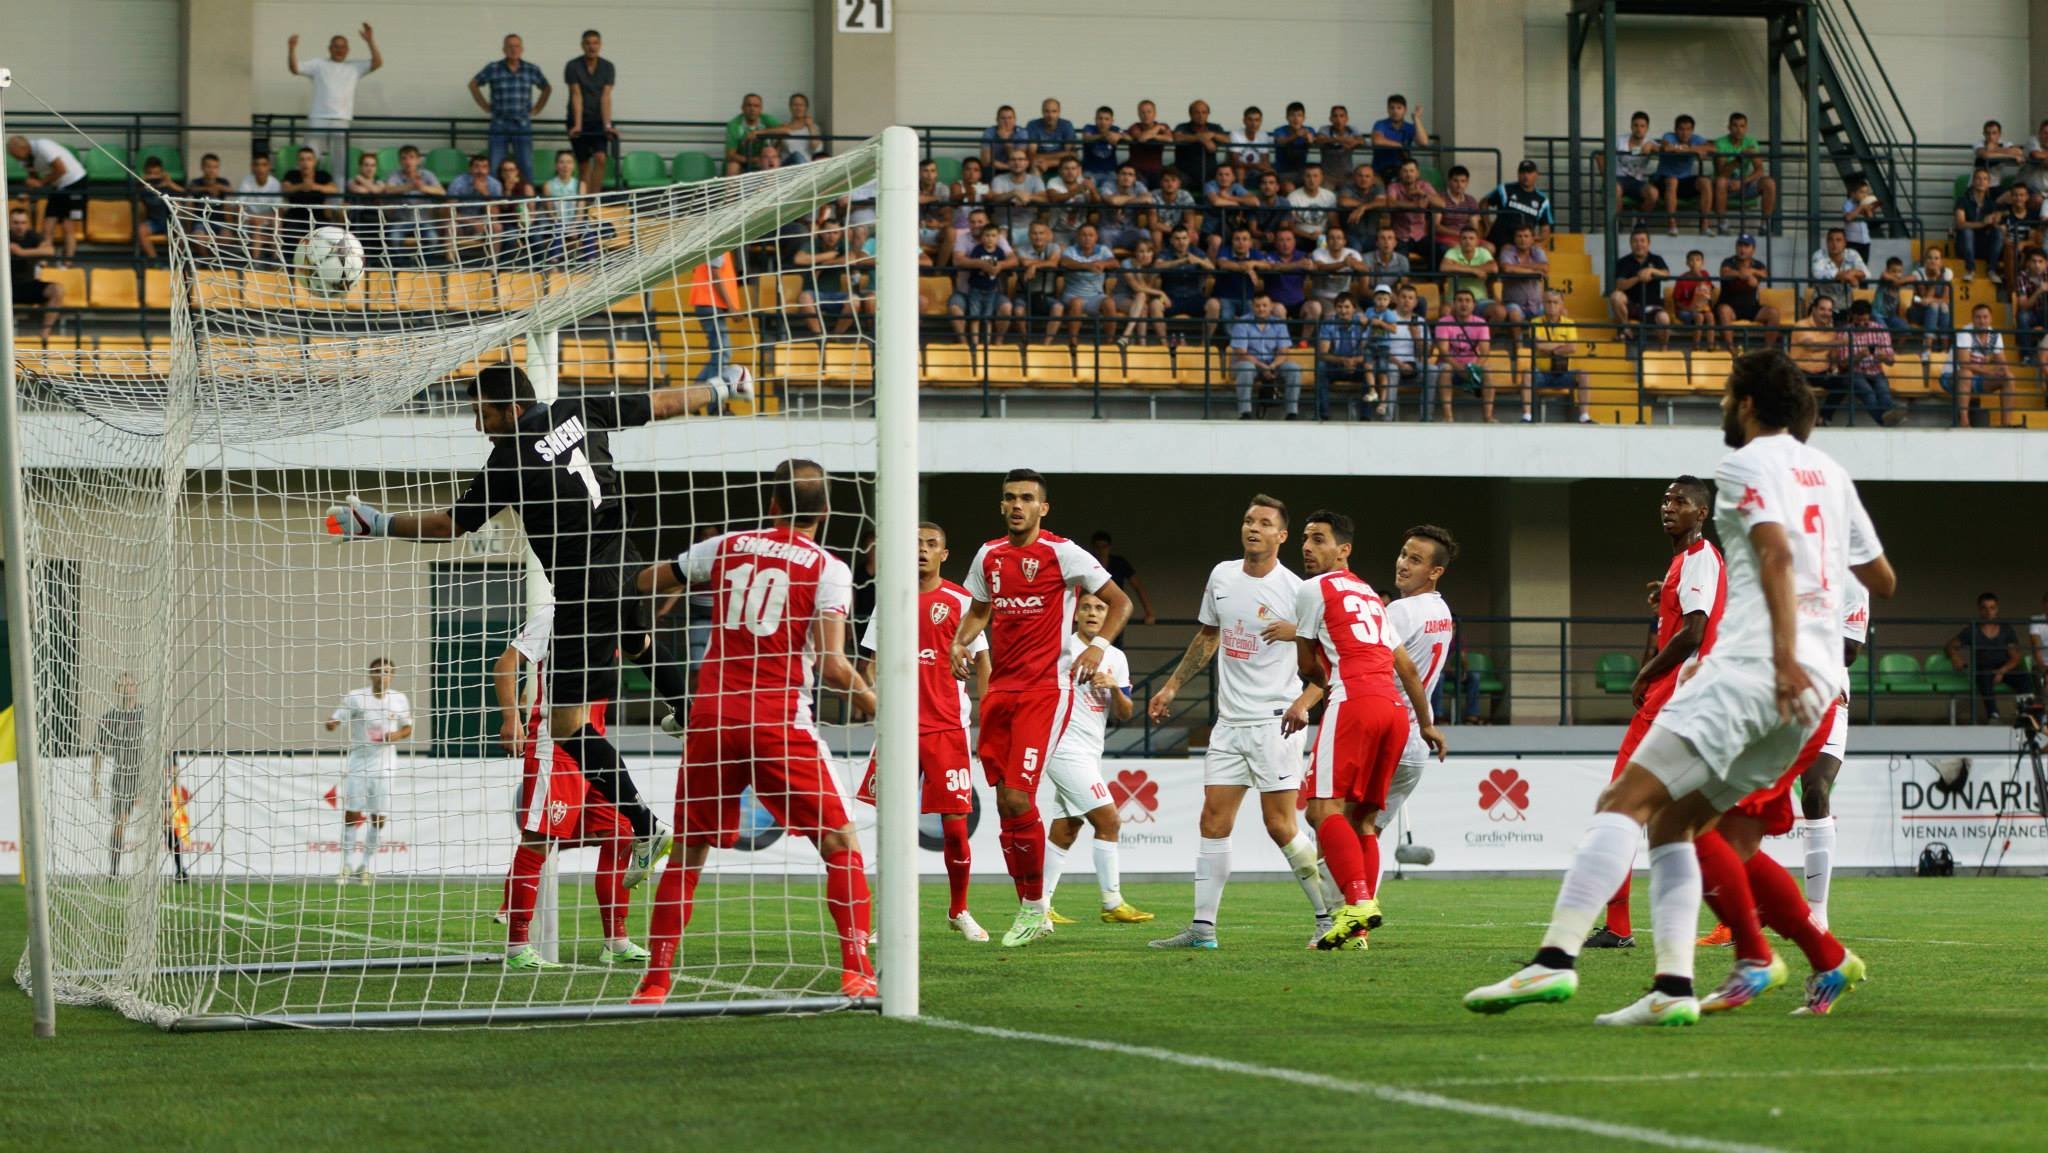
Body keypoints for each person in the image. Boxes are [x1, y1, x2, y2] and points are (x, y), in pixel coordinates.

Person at [1465, 350, 1893, 1025]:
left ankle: (1553, 961)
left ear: (1748, 402)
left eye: (1728, 393)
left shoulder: (1746, 463)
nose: (1724, 404)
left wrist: (1780, 651)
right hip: (1817, 694)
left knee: (1626, 799)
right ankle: (1676, 984)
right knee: (1680, 822)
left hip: (1757, 669)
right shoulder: (1833, 475)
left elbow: (1777, 553)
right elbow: (1883, 578)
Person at [324, 365, 750, 886]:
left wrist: (378, 523)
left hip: (581, 594)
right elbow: (659, 404)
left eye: (484, 413)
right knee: (635, 637)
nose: (480, 426)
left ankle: (645, 825)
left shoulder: (509, 459)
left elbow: (449, 527)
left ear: (513, 408)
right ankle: (687, 711)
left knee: (566, 727)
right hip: (626, 562)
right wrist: (719, 387)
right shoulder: (579, 407)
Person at [632, 461, 879, 1000]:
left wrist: (633, 612)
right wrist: (875, 700)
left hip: (712, 720)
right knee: (840, 843)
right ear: (827, 511)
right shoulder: (829, 568)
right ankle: (857, 970)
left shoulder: (723, 547)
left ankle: (655, 980)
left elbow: (650, 580)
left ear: (771, 504)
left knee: (690, 852)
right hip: (777, 724)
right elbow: (836, 666)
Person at [949, 469, 1133, 948]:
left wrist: (1098, 647)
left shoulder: (1062, 552)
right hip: (999, 693)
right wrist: (959, 642)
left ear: (1042, 508)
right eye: (1010, 498)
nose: (1017, 505)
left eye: (1027, 499)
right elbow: (979, 608)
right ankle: (1034, 907)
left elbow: (1121, 602)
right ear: (1001, 504)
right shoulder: (989, 555)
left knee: (1017, 797)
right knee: (1004, 805)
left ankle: (1033, 907)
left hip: (1043, 692)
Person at [1146, 496, 1333, 948]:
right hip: (1230, 722)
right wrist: (1172, 686)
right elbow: (1209, 636)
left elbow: (1327, 666)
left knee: (1280, 825)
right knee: (1213, 821)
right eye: (1249, 520)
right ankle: (1203, 929)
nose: (1253, 528)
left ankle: (1331, 916)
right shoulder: (1222, 576)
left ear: (1281, 537)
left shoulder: (1299, 591)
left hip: (1277, 722)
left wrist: (1305, 701)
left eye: (1265, 523)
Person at [1287, 510, 1445, 950]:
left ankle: (1356, 905)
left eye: (1318, 539)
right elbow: (1408, 669)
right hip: (1396, 711)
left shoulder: (1311, 589)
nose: (1307, 547)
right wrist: (1428, 725)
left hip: (1354, 700)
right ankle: (1356, 929)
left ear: (1343, 548)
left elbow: (1308, 668)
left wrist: (1314, 678)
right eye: (1305, 539)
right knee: (1365, 821)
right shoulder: (1371, 597)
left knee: (1322, 811)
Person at [1583, 477, 1725, 951]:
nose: (1668, 507)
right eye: (1665, 501)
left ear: (1702, 513)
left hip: (1672, 697)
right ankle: (1742, 916)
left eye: (1680, 501)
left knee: (1622, 804)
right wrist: (1664, 597)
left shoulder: (1700, 557)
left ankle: (1618, 925)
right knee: (1674, 817)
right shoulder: (1686, 563)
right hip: (1687, 697)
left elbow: (1695, 631)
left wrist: (1645, 672)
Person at [854, 523, 992, 943]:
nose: (922, 551)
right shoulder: (890, 600)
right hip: (898, 732)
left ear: (944, 555)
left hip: (947, 727)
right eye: (914, 544)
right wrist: (876, 703)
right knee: (892, 828)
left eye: (931, 545)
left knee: (954, 826)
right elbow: (869, 667)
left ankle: (959, 910)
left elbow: (983, 664)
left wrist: (984, 724)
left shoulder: (961, 600)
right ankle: (889, 919)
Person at [493, 603, 646, 969]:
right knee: (539, 839)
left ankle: (617, 940)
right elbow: (505, 665)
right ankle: (517, 946)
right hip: (554, 743)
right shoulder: (555, 615)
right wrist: (511, 718)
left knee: (621, 834)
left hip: (594, 747)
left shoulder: (615, 617)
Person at [1040, 592, 1153, 926]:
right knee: (1109, 821)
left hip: (1090, 751)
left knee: (1067, 828)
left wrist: (1114, 687)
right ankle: (1112, 902)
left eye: (1100, 608)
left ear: (1109, 616)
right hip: (1063, 748)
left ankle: (1038, 904)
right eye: (1086, 607)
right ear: (1075, 614)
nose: (1092, 612)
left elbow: (1126, 712)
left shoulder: (1115, 658)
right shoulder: (1060, 649)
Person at [1366, 527, 1460, 896]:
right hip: (1415, 745)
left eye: (1415, 560)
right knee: (1369, 831)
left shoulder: (1398, 611)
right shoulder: (1442, 611)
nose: (1403, 564)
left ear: (1435, 571)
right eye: (1404, 554)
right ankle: (1362, 911)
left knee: (1334, 826)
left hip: (1386, 734)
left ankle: (1345, 914)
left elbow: (1371, 664)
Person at [323, 658, 414, 885]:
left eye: (386, 672)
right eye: (377, 671)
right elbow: (335, 719)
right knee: (352, 813)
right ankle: (346, 865)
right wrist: (332, 724)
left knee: (378, 816)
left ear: (392, 675)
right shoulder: (356, 697)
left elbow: (408, 727)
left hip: (385, 765)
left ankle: (366, 865)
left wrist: (397, 735)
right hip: (359, 762)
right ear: (370, 674)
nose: (382, 675)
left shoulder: (398, 699)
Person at [287, 24, 381, 169]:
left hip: (341, 120)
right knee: (308, 158)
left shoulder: (355, 67)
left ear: (348, 50)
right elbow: (295, 69)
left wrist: (370, 41)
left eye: (343, 47)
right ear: (329, 48)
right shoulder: (318, 64)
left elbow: (377, 63)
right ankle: (304, 190)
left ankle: (339, 190)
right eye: (336, 46)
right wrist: (292, 49)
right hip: (318, 118)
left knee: (340, 162)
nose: (339, 50)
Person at [468, 34, 551, 184]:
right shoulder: (493, 68)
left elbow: (546, 88)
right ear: (504, 49)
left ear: (522, 49)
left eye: (517, 46)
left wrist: (537, 109)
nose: (514, 49)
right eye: (510, 46)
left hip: (522, 125)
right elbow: (473, 84)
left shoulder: (531, 69)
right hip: (499, 124)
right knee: (495, 165)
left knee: (526, 165)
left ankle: (528, 201)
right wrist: (484, 106)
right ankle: (495, 203)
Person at [91, 674, 147, 877]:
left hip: (147, 774)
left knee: (167, 818)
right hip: (123, 775)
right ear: (116, 689)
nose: (127, 688)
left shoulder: (145, 714)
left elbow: (162, 743)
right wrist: (95, 780)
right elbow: (98, 751)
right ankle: (113, 870)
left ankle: (180, 870)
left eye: (130, 684)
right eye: (122, 685)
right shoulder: (109, 718)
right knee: (119, 823)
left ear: (136, 688)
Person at [1947, 592, 2032, 722]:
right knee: (1983, 675)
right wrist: (1955, 657)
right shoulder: (1972, 630)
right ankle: (1993, 715)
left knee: (2024, 677)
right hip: (1984, 668)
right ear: (1979, 610)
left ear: (1997, 609)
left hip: (2004, 668)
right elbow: (1951, 645)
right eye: (1984, 608)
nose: (1988, 612)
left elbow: (2015, 657)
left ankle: (2026, 714)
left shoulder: (2006, 629)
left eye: (1992, 608)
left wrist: (2001, 671)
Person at [6, 135, 86, 259]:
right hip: (58, 185)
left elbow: (61, 169)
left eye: (15, 154)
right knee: (48, 223)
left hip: (74, 182)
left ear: (23, 148)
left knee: (67, 224)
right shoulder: (25, 158)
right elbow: (34, 178)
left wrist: (41, 183)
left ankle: (68, 262)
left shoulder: (44, 146)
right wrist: (27, 192)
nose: (15, 158)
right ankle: (44, 262)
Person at [1229, 292, 1300, 420]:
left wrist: (1272, 365)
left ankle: (1292, 413)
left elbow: (1283, 351)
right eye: (1257, 306)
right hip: (1248, 363)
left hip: (1272, 364)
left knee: (1293, 368)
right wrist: (1263, 366)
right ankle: (1245, 413)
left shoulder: (1279, 324)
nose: (1261, 309)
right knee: (1247, 368)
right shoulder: (1242, 323)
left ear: (1271, 306)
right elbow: (1241, 353)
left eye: (1264, 305)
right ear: (1252, 306)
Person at [1528, 289, 1593, 423]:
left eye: (1555, 302)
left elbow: (1572, 347)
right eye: (1548, 302)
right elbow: (1539, 346)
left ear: (1562, 304)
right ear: (1543, 304)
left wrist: (1550, 349)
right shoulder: (1535, 322)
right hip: (1541, 373)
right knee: (1527, 375)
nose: (1551, 305)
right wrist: (1561, 344)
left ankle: (1584, 416)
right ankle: (1526, 417)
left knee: (1584, 375)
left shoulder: (1569, 323)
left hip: (1563, 373)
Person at [563, 29, 616, 194]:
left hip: (598, 121)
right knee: (584, 164)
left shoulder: (607, 67)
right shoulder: (573, 66)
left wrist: (607, 124)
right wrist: (578, 124)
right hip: (578, 119)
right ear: (582, 45)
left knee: (601, 159)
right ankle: (583, 202)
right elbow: (576, 95)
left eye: (595, 43)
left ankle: (594, 198)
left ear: (600, 45)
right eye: (588, 43)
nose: (591, 47)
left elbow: (606, 97)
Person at [1428, 289, 1493, 423]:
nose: (1464, 304)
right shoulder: (1443, 322)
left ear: (1474, 305)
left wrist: (1474, 368)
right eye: (1460, 300)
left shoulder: (1481, 323)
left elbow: (1485, 352)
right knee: (1445, 369)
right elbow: (1444, 352)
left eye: (1467, 300)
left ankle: (1488, 417)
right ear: (1454, 304)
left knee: (1487, 370)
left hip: (1472, 367)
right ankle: (1448, 417)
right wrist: (1459, 368)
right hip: (1451, 366)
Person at [1948, 303, 2015, 428]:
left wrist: (2005, 373)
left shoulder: (1995, 335)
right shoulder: (1965, 333)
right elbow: (1964, 364)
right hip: (1951, 377)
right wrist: (1989, 373)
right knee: (1966, 374)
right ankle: (1964, 422)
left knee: (2009, 378)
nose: (1982, 321)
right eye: (1978, 317)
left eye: (1985, 317)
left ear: (1991, 319)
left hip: (1977, 378)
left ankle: (2006, 425)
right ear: (1973, 319)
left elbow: (2002, 361)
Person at [1054, 222, 1119, 345]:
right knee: (1077, 302)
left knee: (1109, 303)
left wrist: (1104, 264)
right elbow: (1065, 262)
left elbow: (1115, 263)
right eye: (1083, 235)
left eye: (1091, 235)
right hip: (1072, 295)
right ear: (1078, 237)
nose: (1087, 238)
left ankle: (1109, 343)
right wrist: (1087, 266)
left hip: (1095, 295)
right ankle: (1073, 343)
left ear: (1096, 237)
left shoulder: (1103, 250)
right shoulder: (1070, 250)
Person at [1842, 299, 1904, 426]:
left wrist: (1883, 357)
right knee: (1868, 394)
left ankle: (1888, 424)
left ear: (1870, 316)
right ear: (1851, 317)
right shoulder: (1845, 332)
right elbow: (1843, 364)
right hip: (1855, 372)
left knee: (1884, 393)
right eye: (1858, 321)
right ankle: (1889, 424)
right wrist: (1858, 357)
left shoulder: (1880, 330)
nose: (1862, 324)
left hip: (1876, 370)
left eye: (1865, 321)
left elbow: (1891, 361)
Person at [1712, 113, 1777, 232]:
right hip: (1727, 184)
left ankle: (1764, 224)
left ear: (1746, 128)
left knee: (1769, 183)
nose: (1739, 130)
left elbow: (1759, 170)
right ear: (1729, 127)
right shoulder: (1720, 143)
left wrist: (1742, 182)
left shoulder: (1751, 142)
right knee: (1721, 182)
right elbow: (1722, 173)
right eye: (1735, 126)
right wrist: (1738, 159)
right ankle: (1722, 223)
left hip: (1744, 182)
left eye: (1742, 126)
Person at [7, 207, 64, 338]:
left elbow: (49, 250)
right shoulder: (4, 236)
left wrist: (21, 252)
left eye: (23, 222)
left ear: (28, 224)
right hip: (5, 288)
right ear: (9, 223)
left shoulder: (33, 236)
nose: (19, 226)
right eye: (15, 222)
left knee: (57, 290)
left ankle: (45, 333)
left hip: (28, 285)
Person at [1609, 228, 1672, 347]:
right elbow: (1620, 285)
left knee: (1664, 319)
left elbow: (1667, 274)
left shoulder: (1656, 259)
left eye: (1642, 241)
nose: (1639, 244)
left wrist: (1651, 270)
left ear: (1648, 243)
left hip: (1652, 307)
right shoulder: (1623, 262)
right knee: (1615, 297)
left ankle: (1663, 351)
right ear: (1630, 244)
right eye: (1635, 241)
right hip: (1632, 306)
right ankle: (1626, 329)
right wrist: (1639, 277)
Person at [1655, 114, 1715, 236]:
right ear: (1675, 130)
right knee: (1672, 181)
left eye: (1688, 129)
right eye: (1681, 129)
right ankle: (1672, 226)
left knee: (1705, 181)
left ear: (1692, 131)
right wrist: (1695, 149)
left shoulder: (1695, 139)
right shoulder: (1669, 136)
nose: (1684, 133)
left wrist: (1690, 148)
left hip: (1684, 181)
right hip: (1663, 181)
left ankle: (1704, 226)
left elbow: (1713, 148)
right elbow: (1667, 147)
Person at [1315, 293, 1371, 421]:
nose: (1343, 311)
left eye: (1347, 307)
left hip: (1358, 366)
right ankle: (1324, 415)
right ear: (1335, 308)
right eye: (1339, 307)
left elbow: (1369, 352)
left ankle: (1365, 416)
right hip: (1336, 366)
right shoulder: (1328, 323)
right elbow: (1323, 354)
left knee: (1370, 367)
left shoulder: (1363, 324)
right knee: (1320, 367)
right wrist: (1343, 360)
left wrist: (1355, 361)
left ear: (1354, 309)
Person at [1716, 234, 1778, 351]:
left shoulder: (1758, 265)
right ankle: (1731, 349)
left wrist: (1750, 271)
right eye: (1740, 245)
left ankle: (1768, 351)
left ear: (1753, 249)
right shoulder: (1728, 261)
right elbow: (1724, 273)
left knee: (1773, 313)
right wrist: (1740, 274)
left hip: (1750, 307)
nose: (1742, 249)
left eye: (1746, 246)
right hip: (1731, 307)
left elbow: (1761, 277)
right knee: (1723, 310)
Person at [1086, 531, 1156, 626]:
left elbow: (1138, 586)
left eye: (1104, 547)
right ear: (1093, 548)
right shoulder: (1087, 563)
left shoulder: (1119, 563)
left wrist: (1149, 613)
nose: (1101, 550)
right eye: (1097, 547)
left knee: (1114, 638)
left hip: (1115, 612)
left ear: (1109, 547)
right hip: (1092, 612)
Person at [689, 249, 740, 382]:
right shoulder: (719, 242)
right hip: (710, 304)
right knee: (722, 353)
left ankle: (695, 396)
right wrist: (731, 306)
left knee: (719, 355)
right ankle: (712, 400)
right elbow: (715, 274)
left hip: (708, 304)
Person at [1602, 110, 1662, 219]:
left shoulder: (1650, 142)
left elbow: (1664, 149)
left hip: (1637, 181)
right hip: (1618, 179)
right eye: (1636, 125)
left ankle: (1640, 223)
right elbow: (1600, 156)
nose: (1639, 129)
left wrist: (1654, 147)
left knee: (1653, 193)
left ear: (1647, 128)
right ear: (1631, 126)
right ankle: (1616, 225)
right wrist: (1606, 177)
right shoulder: (1619, 140)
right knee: (1614, 188)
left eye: (1642, 126)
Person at [1484, 160, 1554, 251]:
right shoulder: (1505, 189)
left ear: (1537, 174)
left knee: (1539, 251)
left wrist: (1536, 239)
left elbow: (1545, 228)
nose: (1526, 176)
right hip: (1499, 237)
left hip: (1523, 243)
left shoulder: (1543, 200)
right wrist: (1487, 224)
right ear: (1518, 174)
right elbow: (1484, 203)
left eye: (1529, 172)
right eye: (1522, 172)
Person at [1952, 166, 2005, 283]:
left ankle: (1992, 270)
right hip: (1964, 246)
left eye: (1985, 179)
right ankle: (1970, 270)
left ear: (1989, 183)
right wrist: (1982, 223)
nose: (1982, 182)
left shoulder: (1991, 204)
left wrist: (1997, 222)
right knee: (1967, 231)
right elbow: (1960, 224)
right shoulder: (1962, 201)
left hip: (1983, 246)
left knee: (1998, 232)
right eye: (1978, 178)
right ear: (1973, 181)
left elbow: (1996, 225)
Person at [278, 146, 338, 247]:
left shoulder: (322, 175)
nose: (306, 163)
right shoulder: (291, 174)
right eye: (302, 159)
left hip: (319, 217)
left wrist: (314, 186)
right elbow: (285, 188)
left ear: (314, 161)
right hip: (295, 216)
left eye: (309, 159)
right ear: (298, 162)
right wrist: (301, 186)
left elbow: (334, 189)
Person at [234, 152, 285, 262]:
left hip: (267, 218)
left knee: (277, 223)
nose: (260, 168)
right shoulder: (247, 181)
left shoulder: (275, 183)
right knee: (257, 225)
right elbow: (239, 206)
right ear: (252, 167)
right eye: (257, 165)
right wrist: (252, 218)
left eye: (263, 164)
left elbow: (279, 211)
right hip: (249, 218)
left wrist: (263, 218)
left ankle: (275, 261)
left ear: (269, 167)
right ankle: (255, 262)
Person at [1809, 227, 1868, 316]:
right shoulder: (1819, 254)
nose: (1834, 244)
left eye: (1838, 240)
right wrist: (1844, 276)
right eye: (1831, 240)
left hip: (1846, 307)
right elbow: (1817, 274)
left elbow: (1866, 273)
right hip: (1822, 309)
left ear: (1845, 243)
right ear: (1827, 242)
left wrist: (1852, 273)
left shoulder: (1852, 254)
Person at [1369, 95, 1429, 182]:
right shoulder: (1380, 124)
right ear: (1387, 110)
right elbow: (1377, 140)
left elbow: (1424, 142)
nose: (1395, 111)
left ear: (1405, 110)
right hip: (1380, 171)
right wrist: (1399, 145)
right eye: (1392, 108)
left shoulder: (1409, 127)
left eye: (1399, 108)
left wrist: (1416, 119)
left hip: (1404, 172)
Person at [1671, 249, 1715, 349]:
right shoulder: (1682, 279)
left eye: (1698, 260)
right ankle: (1696, 346)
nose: (1695, 263)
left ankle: (1711, 346)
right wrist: (1689, 309)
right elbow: (1677, 302)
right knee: (1699, 317)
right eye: (1691, 260)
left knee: (1710, 316)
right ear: (1687, 263)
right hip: (1685, 310)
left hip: (1701, 308)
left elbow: (1707, 292)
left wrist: (1699, 277)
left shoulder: (1705, 274)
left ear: (1702, 263)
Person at [1123, 99, 1172, 187]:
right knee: (1141, 186)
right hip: (1137, 170)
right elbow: (1142, 138)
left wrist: (1154, 136)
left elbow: (1169, 139)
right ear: (1138, 114)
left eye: (1149, 112)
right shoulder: (1135, 127)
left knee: (1164, 185)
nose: (1146, 115)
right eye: (1143, 112)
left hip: (1157, 170)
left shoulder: (1164, 126)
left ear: (1154, 113)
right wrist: (1157, 128)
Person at [1026, 97, 1079, 174]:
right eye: (1047, 111)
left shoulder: (1066, 125)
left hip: (1060, 164)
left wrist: (1049, 163)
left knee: (1072, 165)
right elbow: (1031, 155)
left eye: (1054, 111)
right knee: (1035, 165)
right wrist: (1061, 154)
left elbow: (1071, 155)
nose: (1050, 115)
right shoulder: (1033, 125)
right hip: (1039, 163)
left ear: (1059, 112)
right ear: (1042, 112)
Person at [1840, 175, 1878, 263]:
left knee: (1863, 266)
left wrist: (1869, 209)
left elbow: (1870, 218)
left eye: (1866, 192)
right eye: (1861, 192)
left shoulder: (1863, 204)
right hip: (1852, 241)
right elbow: (1848, 217)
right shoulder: (1849, 203)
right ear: (1853, 193)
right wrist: (1860, 207)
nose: (1865, 195)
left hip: (1865, 241)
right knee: (1852, 265)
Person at [981, 104, 1025, 171]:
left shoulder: (1021, 133)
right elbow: (986, 161)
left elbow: (1018, 160)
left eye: (1010, 118)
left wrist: (1006, 141)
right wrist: (1007, 167)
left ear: (1015, 119)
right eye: (1003, 118)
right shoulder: (989, 132)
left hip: (1015, 169)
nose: (1006, 121)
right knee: (987, 170)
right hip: (995, 168)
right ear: (997, 120)